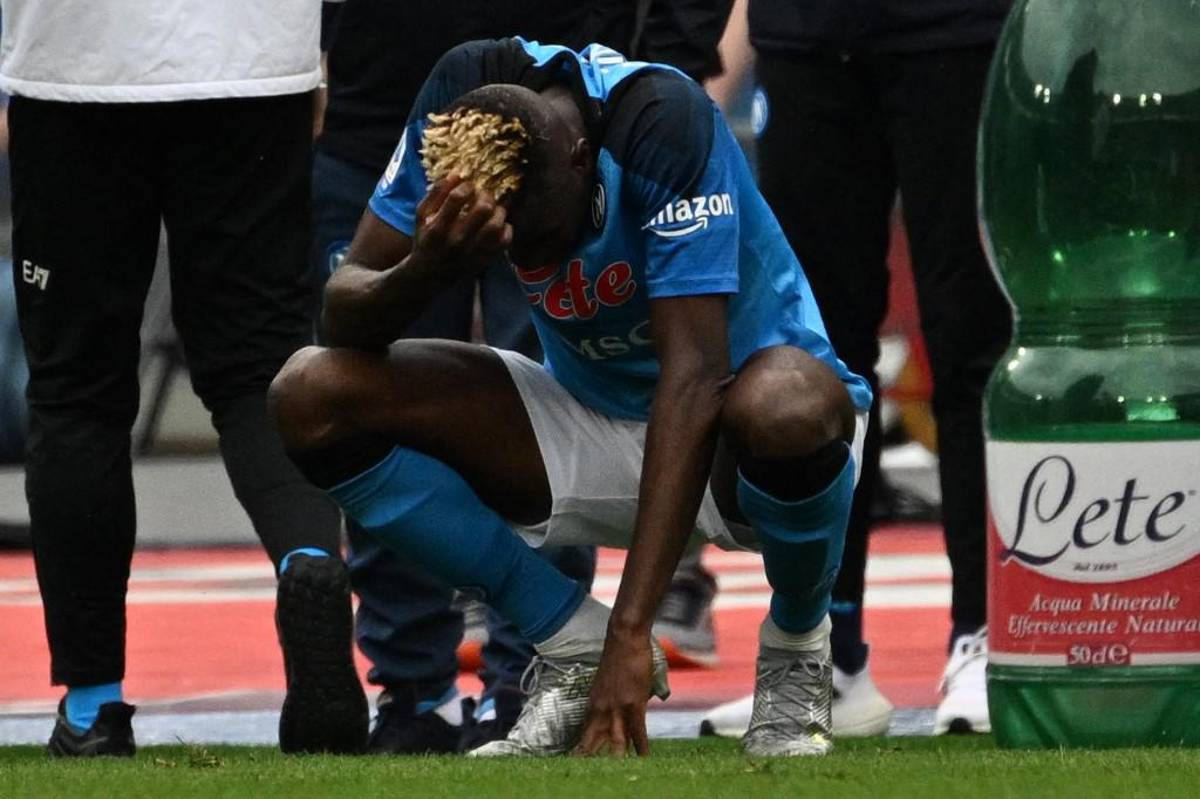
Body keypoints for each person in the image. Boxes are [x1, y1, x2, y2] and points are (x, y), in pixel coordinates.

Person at [271, 37, 872, 757]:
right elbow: (342, 311)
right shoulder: (465, 96)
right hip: (587, 411)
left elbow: (694, 376)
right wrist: (427, 268)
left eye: (550, 238)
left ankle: (798, 648)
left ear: (582, 155)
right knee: (312, 390)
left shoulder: (663, 118)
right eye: (514, 253)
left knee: (783, 404)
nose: (537, 264)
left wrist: (633, 629)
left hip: (731, 431)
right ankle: (565, 637)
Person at [314, 1, 734, 752]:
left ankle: (532, 672)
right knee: (359, 384)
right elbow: (341, 325)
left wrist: (671, 59)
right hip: (381, 100)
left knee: (554, 402)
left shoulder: (637, 115)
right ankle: (414, 688)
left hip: (562, 130)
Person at [1, 0, 364, 755]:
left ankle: (93, 705)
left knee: (78, 391)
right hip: (252, 57)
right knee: (263, 368)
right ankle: (307, 562)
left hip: (75, 65)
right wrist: (311, 53)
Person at [704, 0, 1013, 736]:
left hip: (958, 31)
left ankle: (986, 634)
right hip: (803, 37)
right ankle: (818, 652)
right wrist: (714, 66)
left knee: (970, 335)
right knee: (810, 355)